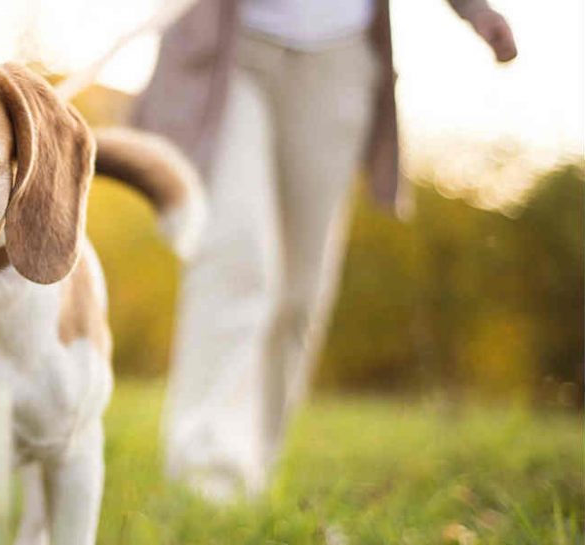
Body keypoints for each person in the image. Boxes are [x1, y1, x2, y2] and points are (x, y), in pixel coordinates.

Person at [134, 0, 517, 500]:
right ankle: (206, 476)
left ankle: (252, 469)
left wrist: (474, 8)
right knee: (236, 256)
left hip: (338, 59)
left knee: (300, 289)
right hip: (229, 46)